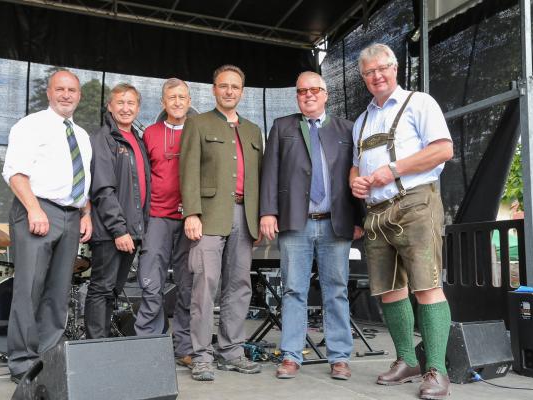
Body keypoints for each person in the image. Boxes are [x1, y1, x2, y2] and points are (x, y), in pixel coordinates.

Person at [349, 43, 453, 400]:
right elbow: (356, 164)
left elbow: (443, 149)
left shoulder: (420, 102)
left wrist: (392, 170)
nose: (377, 76)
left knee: (426, 286)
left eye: (382, 68)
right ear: (363, 78)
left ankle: (437, 370)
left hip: (415, 203)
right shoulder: (361, 121)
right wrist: (355, 180)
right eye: (369, 72)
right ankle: (407, 360)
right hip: (376, 211)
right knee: (390, 290)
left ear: (395, 68)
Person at [260, 71, 364, 380]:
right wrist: (268, 211)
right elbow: (269, 173)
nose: (309, 95)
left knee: (337, 291)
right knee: (293, 290)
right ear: (297, 96)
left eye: (315, 89)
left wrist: (359, 219)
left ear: (326, 94)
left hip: (336, 224)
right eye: (302, 91)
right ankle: (291, 355)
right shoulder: (282, 127)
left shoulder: (346, 128)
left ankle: (339, 357)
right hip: (296, 223)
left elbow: (356, 176)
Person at [2, 70, 93, 383]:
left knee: (57, 292)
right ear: (49, 92)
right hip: (38, 211)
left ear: (79, 95)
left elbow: (82, 182)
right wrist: (33, 209)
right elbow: (15, 173)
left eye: (72, 90)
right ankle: (22, 363)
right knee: (29, 291)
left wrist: (86, 214)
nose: (66, 95)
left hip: (71, 215)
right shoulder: (31, 125)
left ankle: (47, 359)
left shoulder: (81, 134)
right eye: (60, 89)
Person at [180, 65, 263, 381]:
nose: (229, 91)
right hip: (209, 217)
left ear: (242, 92)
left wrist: (259, 218)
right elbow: (187, 171)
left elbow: (260, 179)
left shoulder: (253, 130)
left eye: (235, 87)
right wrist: (191, 213)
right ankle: (201, 356)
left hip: (244, 216)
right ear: (214, 89)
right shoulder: (197, 123)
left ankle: (231, 352)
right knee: (205, 286)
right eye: (223, 86)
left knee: (239, 287)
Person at [134, 78, 194, 368]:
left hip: (190, 219)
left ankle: (185, 346)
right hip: (156, 216)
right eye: (172, 97)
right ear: (163, 102)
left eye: (182, 97)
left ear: (190, 101)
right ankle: (149, 343)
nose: (178, 102)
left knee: (187, 283)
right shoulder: (150, 134)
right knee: (151, 281)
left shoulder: (199, 131)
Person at [84, 83, 150, 339]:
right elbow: (102, 189)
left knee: (112, 290)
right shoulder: (102, 139)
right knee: (101, 289)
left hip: (131, 232)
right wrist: (119, 229)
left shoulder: (138, 140)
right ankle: (95, 346)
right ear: (110, 107)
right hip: (112, 232)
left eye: (131, 103)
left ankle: (101, 345)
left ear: (138, 107)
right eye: (120, 103)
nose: (125, 108)